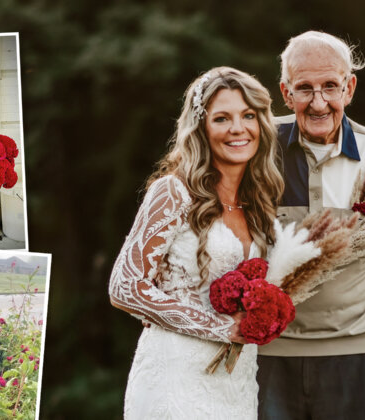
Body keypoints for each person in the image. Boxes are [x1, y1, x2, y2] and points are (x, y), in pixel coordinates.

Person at [256, 31, 365, 420]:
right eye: (304, 89)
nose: (319, 103)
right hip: (269, 360)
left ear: (349, 88)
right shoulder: (256, 151)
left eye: (330, 86)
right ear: (285, 92)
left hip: (363, 362)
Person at [109, 67, 284, 419]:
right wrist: (221, 328)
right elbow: (125, 287)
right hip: (175, 378)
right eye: (222, 118)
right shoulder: (173, 192)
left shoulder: (260, 205)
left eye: (248, 115)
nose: (238, 128)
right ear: (201, 128)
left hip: (236, 382)